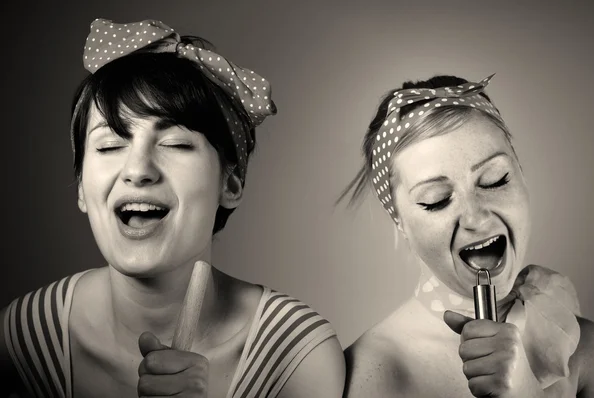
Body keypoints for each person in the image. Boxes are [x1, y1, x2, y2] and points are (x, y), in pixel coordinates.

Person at [0, 18, 345, 398]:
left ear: (230, 185)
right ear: (82, 186)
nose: (137, 170)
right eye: (109, 146)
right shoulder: (22, 340)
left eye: (176, 144)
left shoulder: (297, 355)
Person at [339, 74, 594, 397]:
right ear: (401, 224)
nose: (476, 217)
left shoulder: (586, 349)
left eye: (495, 179)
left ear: (522, 175)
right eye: (436, 200)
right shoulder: (369, 374)